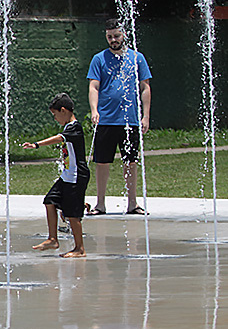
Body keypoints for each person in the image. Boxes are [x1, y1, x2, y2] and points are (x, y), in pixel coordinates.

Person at [86, 18, 152, 215]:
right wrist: (94, 110)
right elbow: (93, 86)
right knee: (102, 162)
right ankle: (100, 204)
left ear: (124, 35)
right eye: (109, 37)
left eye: (116, 35)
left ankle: (132, 203)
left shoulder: (137, 58)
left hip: (130, 120)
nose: (113, 39)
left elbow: (145, 87)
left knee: (130, 161)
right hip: (106, 119)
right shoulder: (99, 59)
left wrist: (145, 116)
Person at [22, 93, 90, 258]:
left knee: (73, 214)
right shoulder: (68, 127)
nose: (55, 119)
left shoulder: (75, 126)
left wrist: (36, 145)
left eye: (55, 115)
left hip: (76, 175)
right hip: (67, 175)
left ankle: (79, 249)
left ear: (63, 110)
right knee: (50, 201)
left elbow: (59, 139)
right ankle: (53, 239)